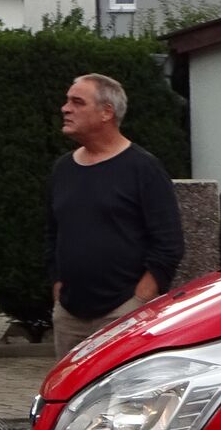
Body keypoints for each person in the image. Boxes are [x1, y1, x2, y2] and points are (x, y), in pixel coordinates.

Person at [46, 74, 183, 359]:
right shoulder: (63, 169)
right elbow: (53, 233)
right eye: (67, 101)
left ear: (106, 112)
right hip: (69, 316)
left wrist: (139, 301)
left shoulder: (143, 168)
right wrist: (58, 289)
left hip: (123, 314)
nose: (65, 108)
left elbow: (169, 244)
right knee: (69, 388)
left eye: (77, 102)